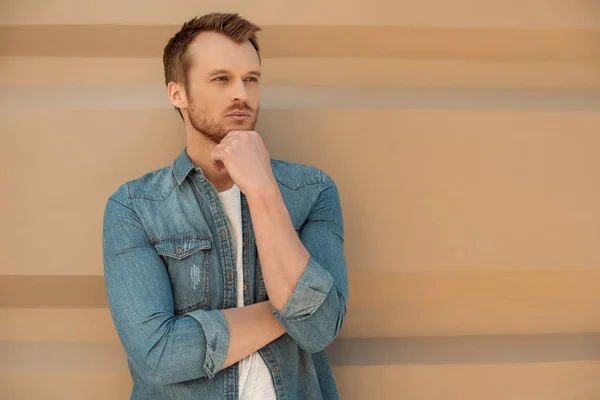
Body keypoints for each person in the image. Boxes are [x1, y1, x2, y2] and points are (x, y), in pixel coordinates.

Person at [102, 12, 348, 400]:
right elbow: (158, 355)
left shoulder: (311, 191)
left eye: (251, 79)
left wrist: (263, 190)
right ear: (177, 93)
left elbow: (319, 331)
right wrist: (288, 311)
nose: (242, 94)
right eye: (222, 79)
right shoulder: (135, 206)